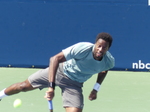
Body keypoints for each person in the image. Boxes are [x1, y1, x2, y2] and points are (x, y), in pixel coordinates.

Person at [0, 32, 115, 112]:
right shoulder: (83, 48)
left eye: (104, 48)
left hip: (74, 84)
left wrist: (96, 88)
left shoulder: (109, 61)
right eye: (99, 46)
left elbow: (104, 70)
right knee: (23, 86)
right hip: (60, 71)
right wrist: (51, 87)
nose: (100, 49)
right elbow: (54, 59)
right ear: (95, 44)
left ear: (108, 49)